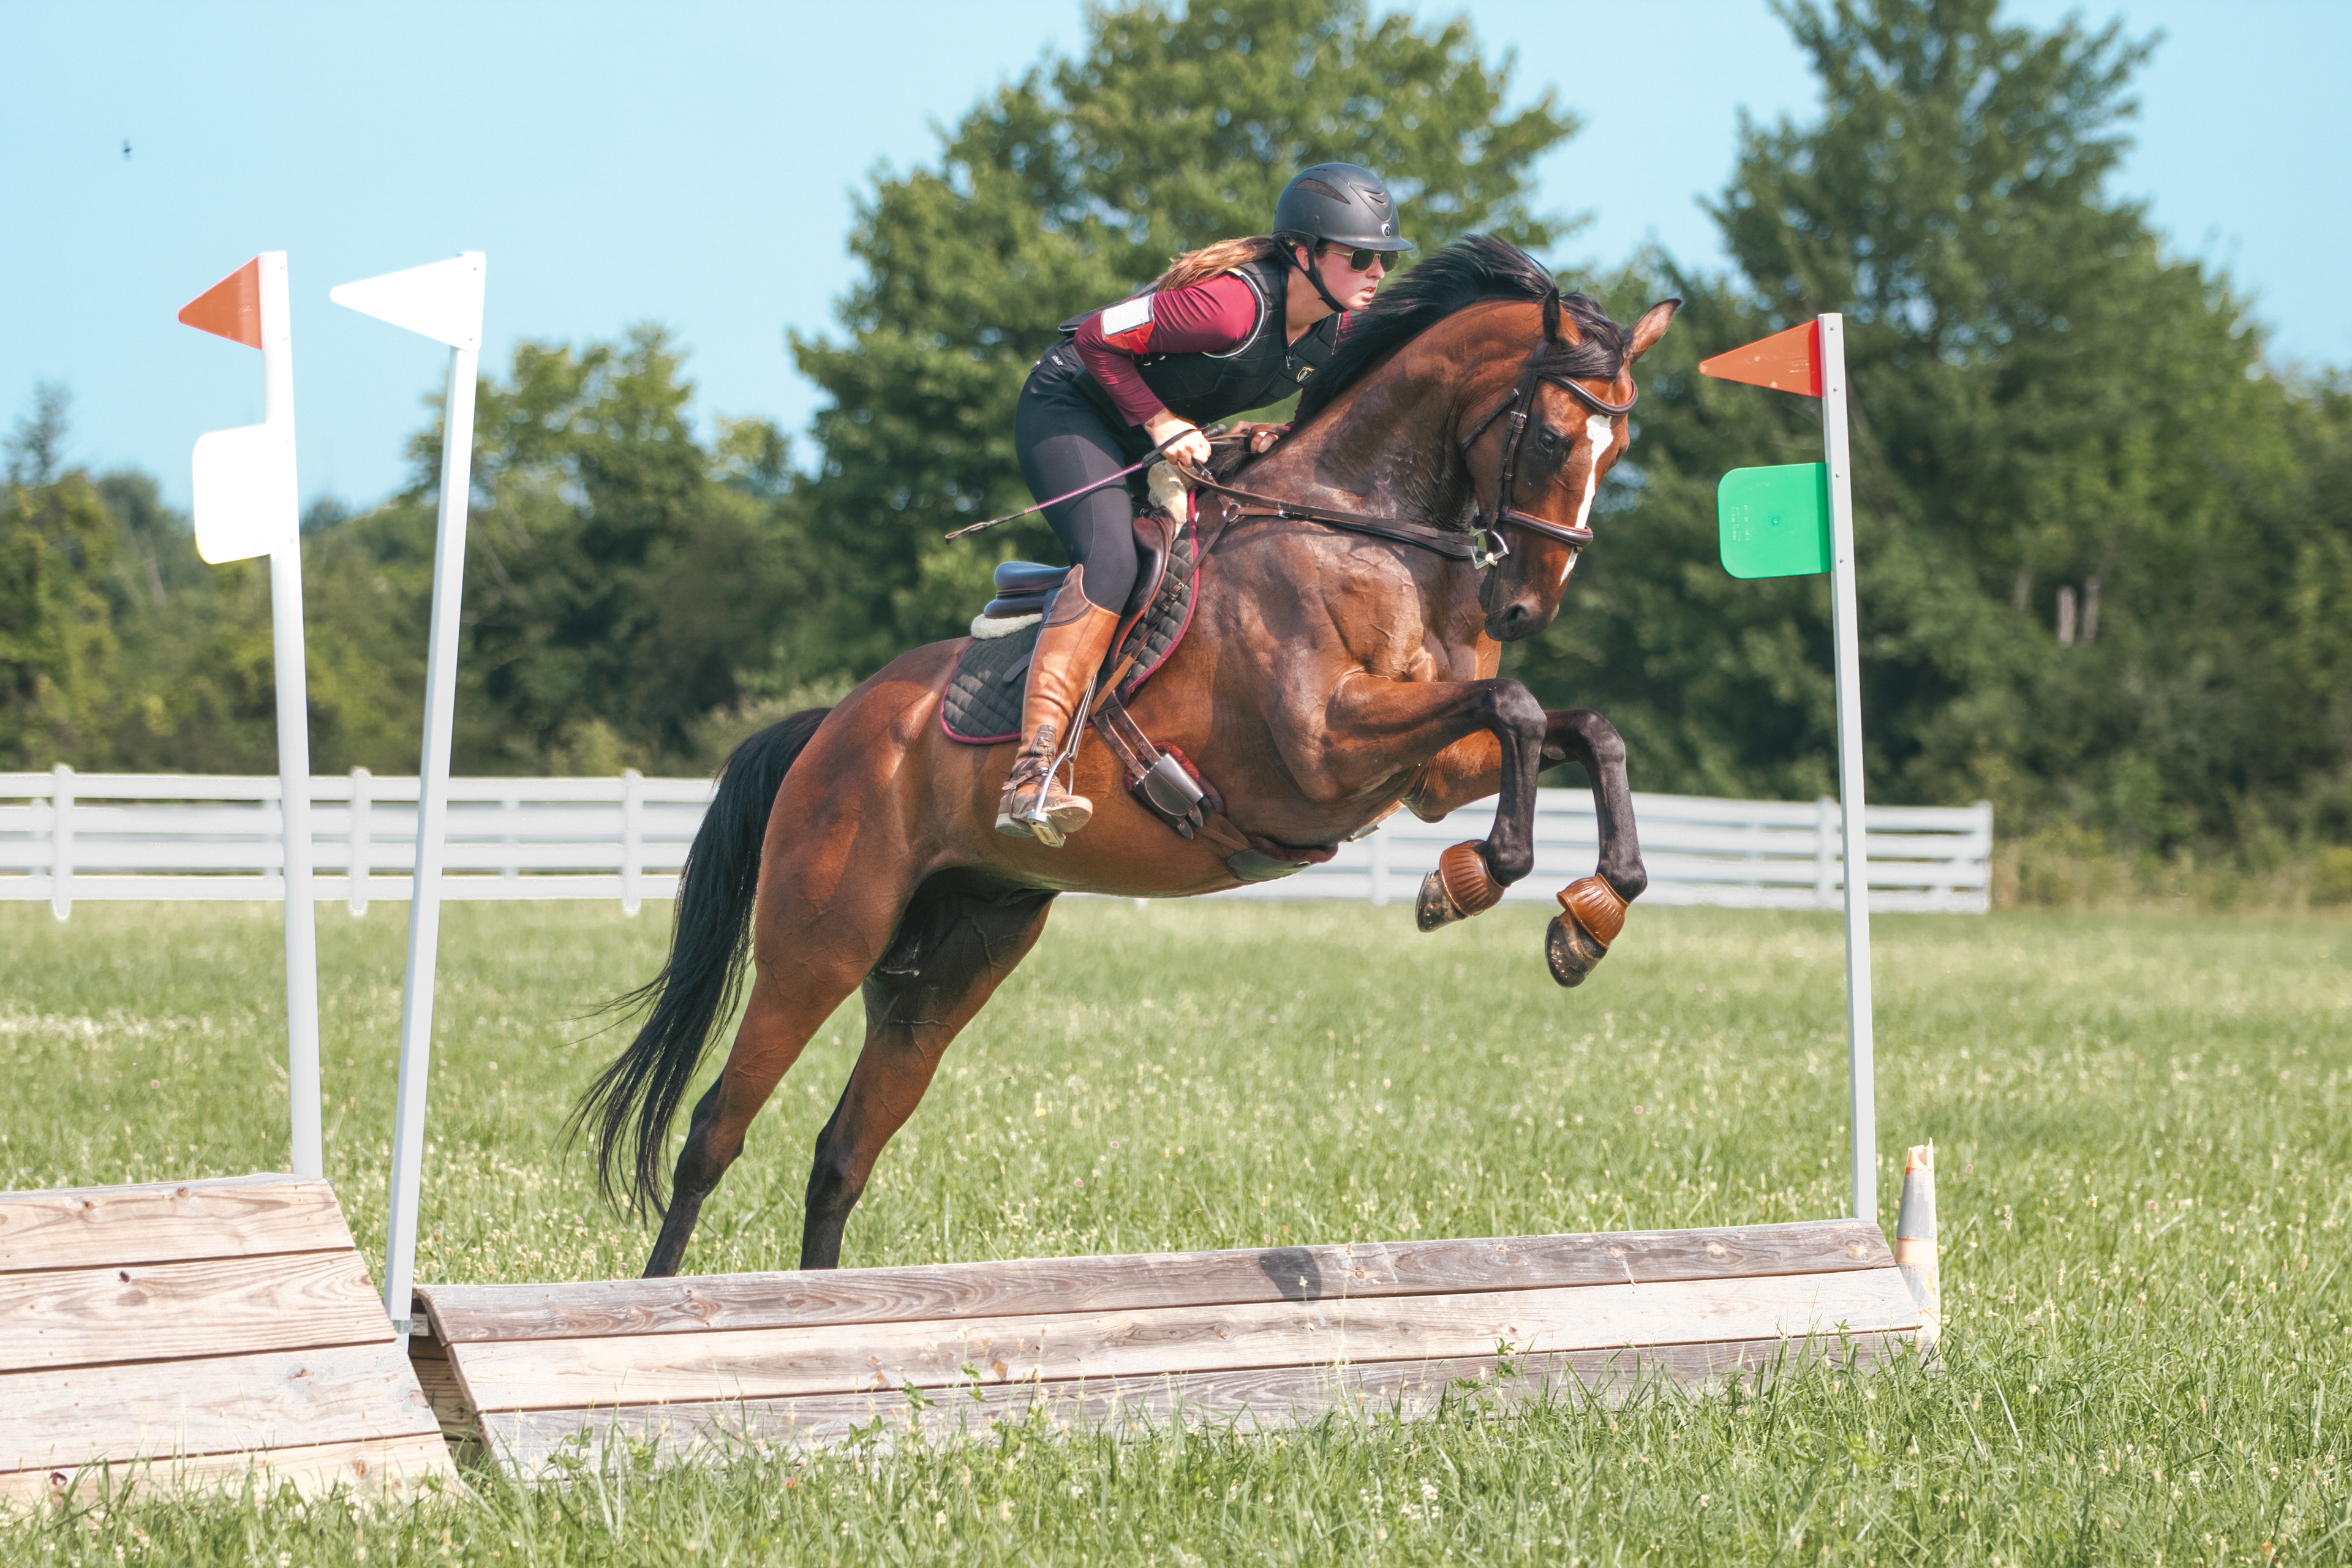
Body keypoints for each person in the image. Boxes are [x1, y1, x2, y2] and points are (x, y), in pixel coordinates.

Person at [996, 162, 1415, 845]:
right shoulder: (1232, 305)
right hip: (1071, 407)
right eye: (1361, 257)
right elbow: (1096, 336)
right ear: (1303, 254)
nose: (1376, 273)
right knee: (1113, 560)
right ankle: (1032, 772)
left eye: (1384, 261)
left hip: (1157, 431)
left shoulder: (1331, 333)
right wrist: (1161, 423)